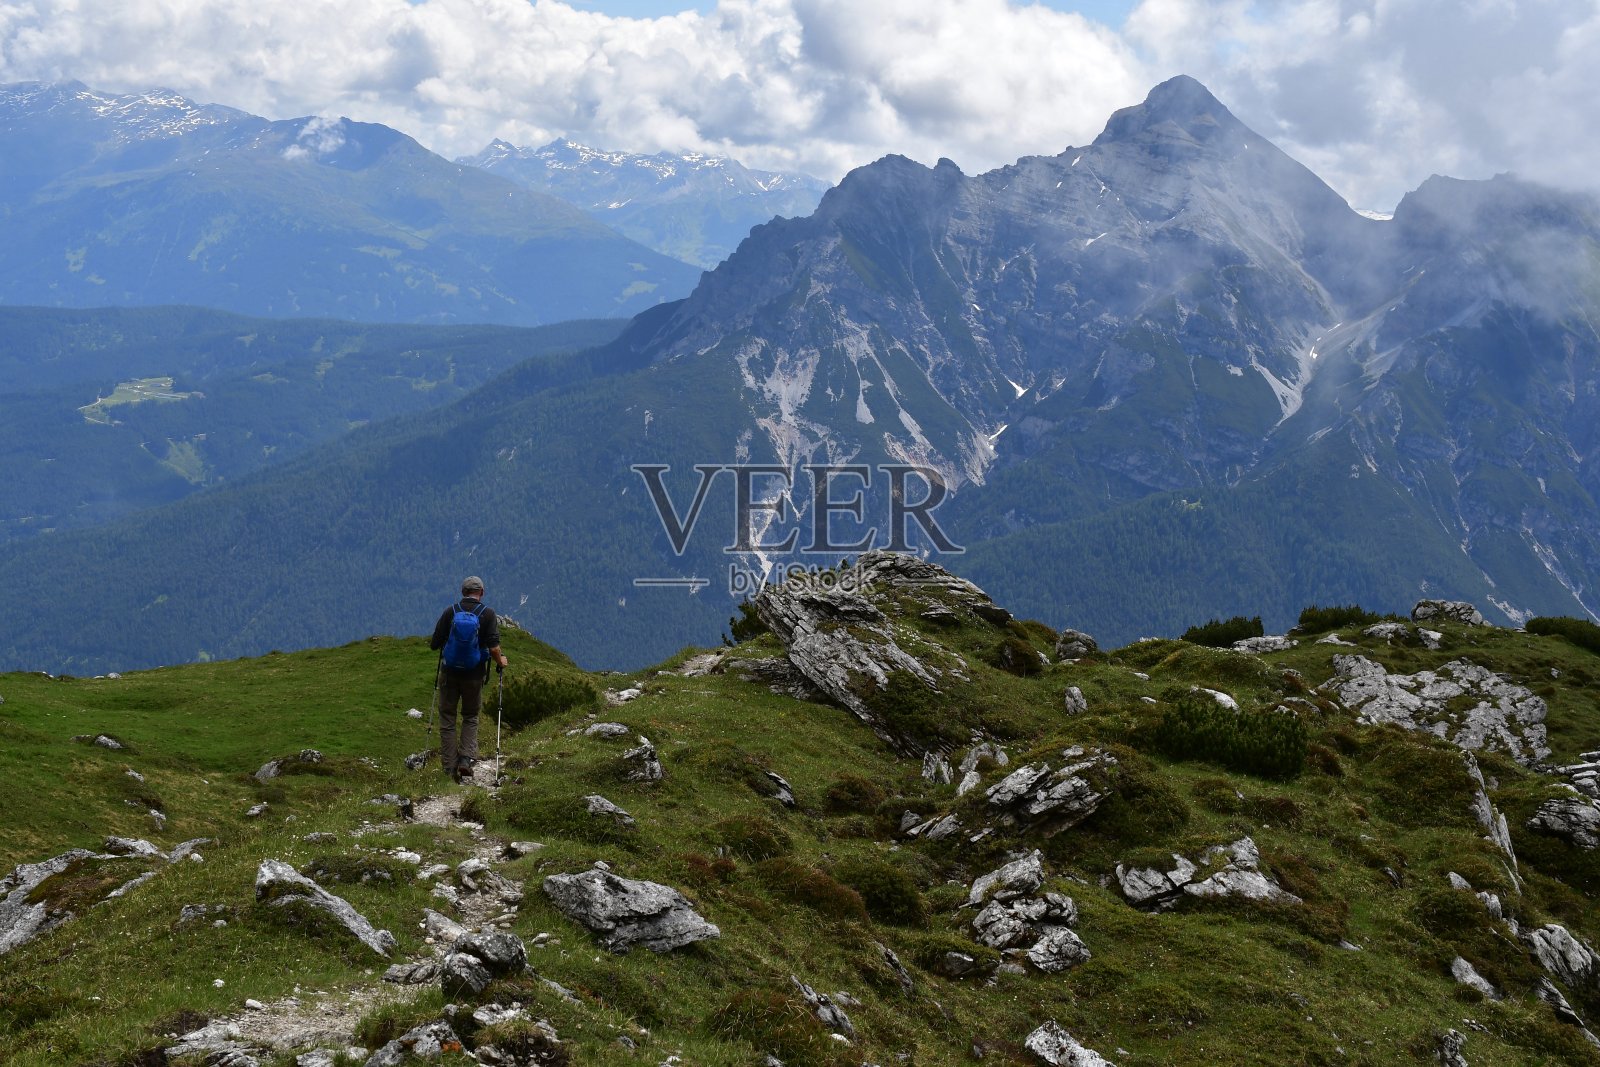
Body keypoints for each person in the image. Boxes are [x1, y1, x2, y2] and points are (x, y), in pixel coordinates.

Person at [429, 576, 509, 783]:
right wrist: (500, 661)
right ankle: (465, 759)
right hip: (474, 675)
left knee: (447, 718)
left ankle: (448, 767)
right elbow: (493, 647)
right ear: (481, 592)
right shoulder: (487, 614)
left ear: (463, 591)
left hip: (449, 674)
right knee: (470, 716)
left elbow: (434, 643)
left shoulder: (451, 611)